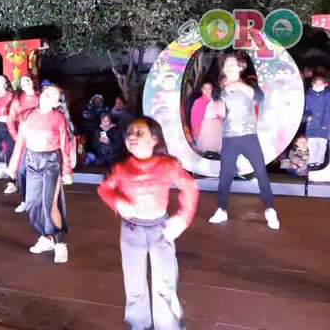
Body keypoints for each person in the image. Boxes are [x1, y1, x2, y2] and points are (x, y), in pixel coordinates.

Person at [97, 116, 198, 330]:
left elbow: (189, 187)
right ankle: (137, 324)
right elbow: (105, 189)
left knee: (165, 282)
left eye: (139, 133)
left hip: (161, 228)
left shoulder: (168, 165)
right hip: (132, 228)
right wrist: (118, 202)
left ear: (154, 138)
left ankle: (168, 325)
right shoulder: (122, 169)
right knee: (134, 283)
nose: (132, 137)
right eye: (129, 134)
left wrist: (182, 218)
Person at [208, 54, 280, 230]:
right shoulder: (220, 90)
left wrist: (239, 85)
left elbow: (260, 99)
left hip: (249, 136)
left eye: (233, 65)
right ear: (224, 69)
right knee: (225, 176)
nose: (230, 67)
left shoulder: (249, 85)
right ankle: (221, 209)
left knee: (261, 172)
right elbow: (220, 112)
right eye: (227, 65)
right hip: (229, 138)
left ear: (240, 67)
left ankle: (270, 210)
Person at [7, 84, 75, 264]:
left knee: (49, 204)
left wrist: (67, 171)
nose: (48, 96)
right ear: (41, 95)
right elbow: (20, 142)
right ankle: (47, 238)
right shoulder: (28, 116)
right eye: (46, 93)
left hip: (51, 162)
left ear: (56, 102)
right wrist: (13, 167)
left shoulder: (58, 118)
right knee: (31, 204)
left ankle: (60, 244)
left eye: (53, 95)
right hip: (31, 160)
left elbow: (65, 146)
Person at [8, 76, 40, 212]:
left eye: (28, 80)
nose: (26, 83)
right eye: (23, 82)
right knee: (22, 170)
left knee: (39, 170)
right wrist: (16, 136)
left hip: (40, 138)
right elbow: (10, 121)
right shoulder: (17, 100)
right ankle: (24, 200)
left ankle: (39, 200)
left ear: (33, 81)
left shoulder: (41, 97)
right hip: (24, 139)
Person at [190, 82, 224, 155]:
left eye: (209, 88)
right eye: (205, 88)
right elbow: (194, 117)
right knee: (207, 146)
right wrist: (196, 128)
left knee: (218, 145)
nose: (207, 90)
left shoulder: (216, 100)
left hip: (216, 125)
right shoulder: (198, 101)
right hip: (205, 126)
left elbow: (221, 113)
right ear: (201, 90)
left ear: (212, 89)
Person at [304, 75, 330, 167]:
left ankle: (320, 161)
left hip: (325, 125)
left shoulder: (327, 94)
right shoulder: (309, 94)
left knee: (322, 144)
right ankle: (312, 161)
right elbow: (306, 108)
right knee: (312, 144)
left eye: (320, 84)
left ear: (325, 84)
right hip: (312, 124)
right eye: (317, 84)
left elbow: (328, 110)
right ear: (313, 84)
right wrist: (307, 115)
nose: (318, 86)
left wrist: (325, 123)